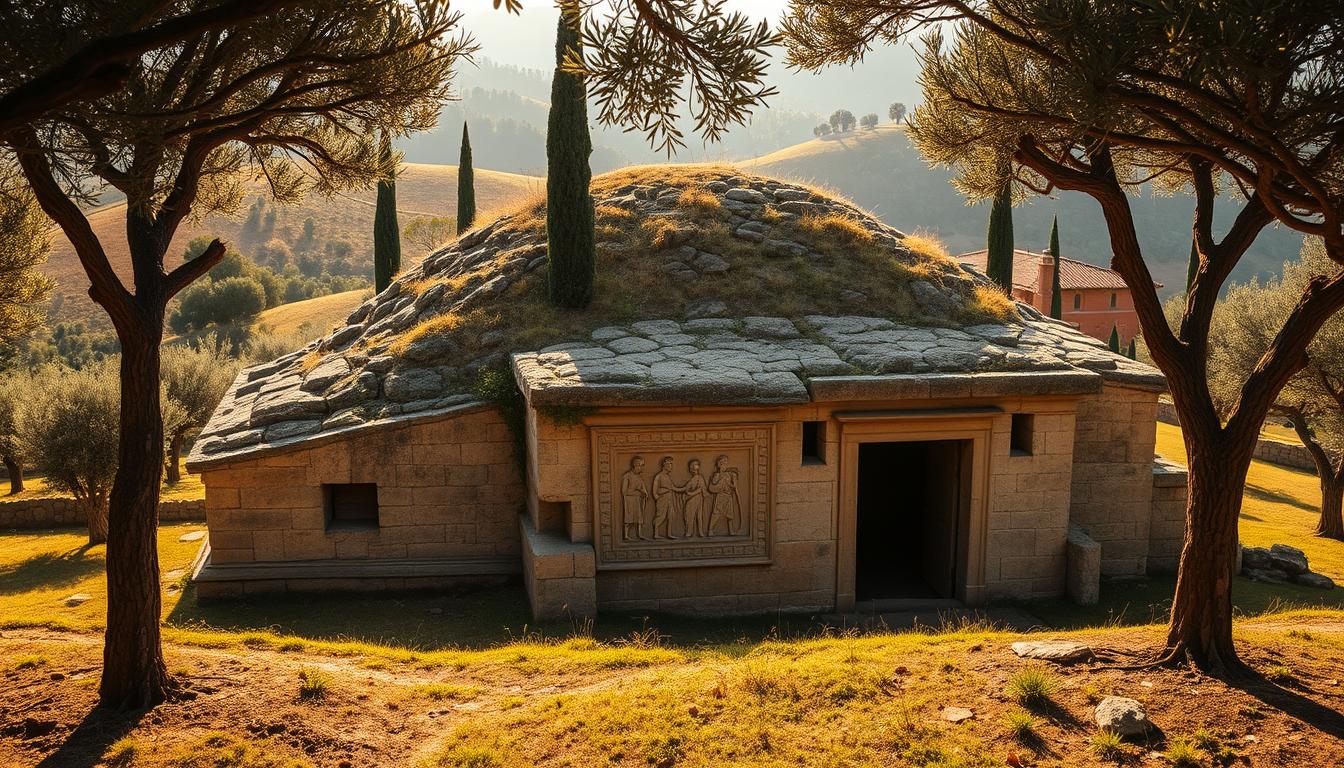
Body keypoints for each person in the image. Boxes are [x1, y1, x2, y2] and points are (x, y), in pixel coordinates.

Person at [650, 455, 684, 539]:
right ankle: (656, 533)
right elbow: (655, 491)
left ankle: (669, 534)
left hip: (670, 500)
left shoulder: (668, 477)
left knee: (671, 516)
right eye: (669, 464)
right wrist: (658, 498)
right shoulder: (659, 476)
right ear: (664, 465)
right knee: (661, 516)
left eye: (671, 464)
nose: (671, 466)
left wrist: (685, 489)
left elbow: (673, 488)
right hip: (662, 499)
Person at [708, 454, 742, 536]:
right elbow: (712, 486)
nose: (725, 464)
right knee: (716, 513)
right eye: (723, 462)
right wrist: (720, 477)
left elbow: (733, 486)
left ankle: (731, 530)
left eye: (726, 462)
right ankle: (710, 530)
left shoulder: (729, 475)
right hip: (720, 497)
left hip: (728, 496)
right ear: (719, 464)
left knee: (730, 515)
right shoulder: (717, 475)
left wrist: (733, 482)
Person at [620, 455, 650, 541]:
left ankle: (639, 534)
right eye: (642, 465)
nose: (643, 467)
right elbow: (624, 491)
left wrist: (644, 494)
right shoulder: (627, 476)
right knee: (629, 518)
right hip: (629, 501)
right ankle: (626, 535)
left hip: (638, 501)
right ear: (636, 465)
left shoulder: (639, 478)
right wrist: (637, 493)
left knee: (639, 518)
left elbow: (643, 490)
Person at [681, 458, 709, 538]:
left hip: (696, 500)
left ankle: (699, 532)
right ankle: (690, 532)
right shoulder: (692, 479)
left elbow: (700, 489)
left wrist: (690, 493)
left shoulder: (700, 478)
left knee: (698, 516)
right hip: (692, 500)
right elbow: (684, 488)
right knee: (691, 516)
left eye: (691, 467)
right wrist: (672, 488)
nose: (690, 469)